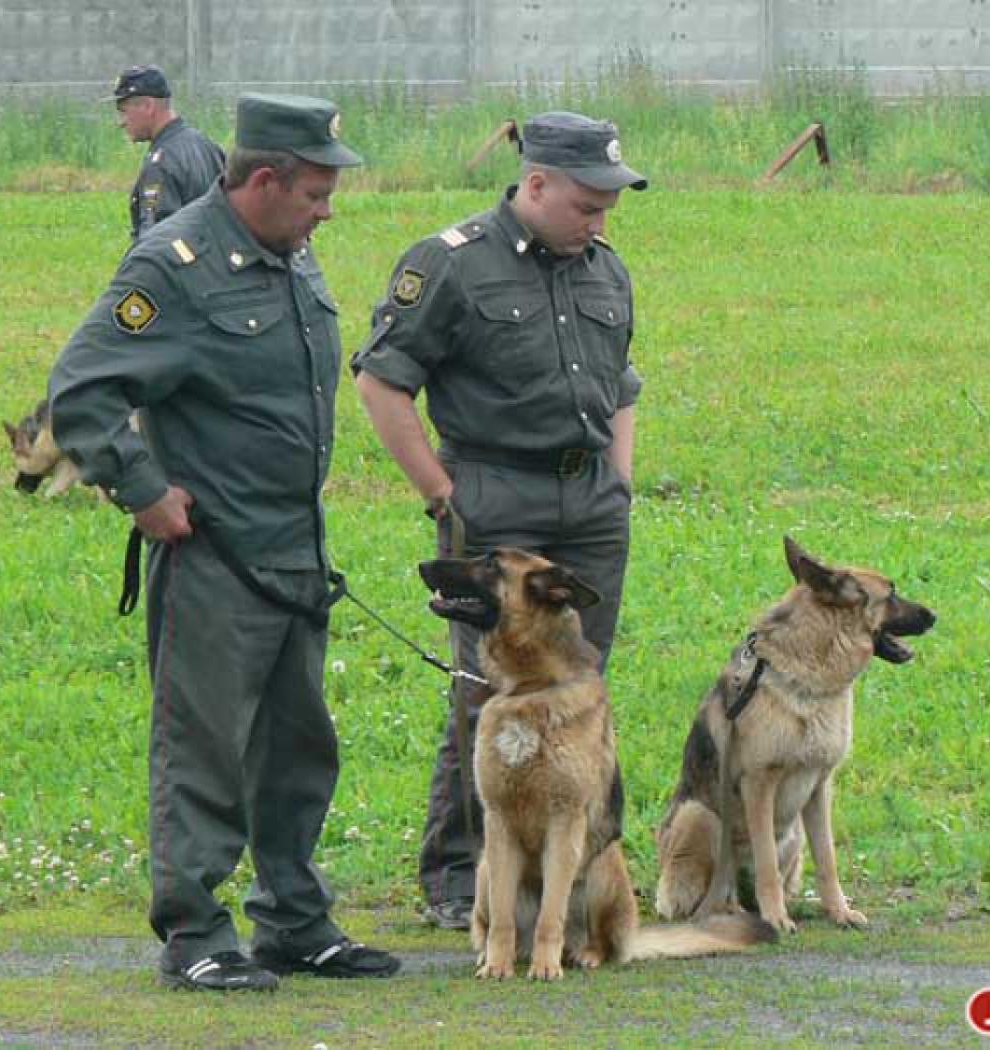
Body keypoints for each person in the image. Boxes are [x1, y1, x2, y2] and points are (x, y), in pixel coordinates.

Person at [49, 93, 400, 990]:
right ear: (267, 179)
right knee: (203, 748)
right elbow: (82, 387)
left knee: (297, 749)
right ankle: (194, 933)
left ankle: (293, 919)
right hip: (215, 558)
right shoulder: (173, 266)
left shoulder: (290, 254)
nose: (329, 210)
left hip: (294, 551)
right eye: (316, 192)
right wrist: (142, 492)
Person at [351, 111, 647, 930]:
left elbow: (623, 383)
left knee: (579, 689)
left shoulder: (605, 269)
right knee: (489, 691)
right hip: (494, 501)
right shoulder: (450, 265)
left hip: (587, 507)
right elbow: (382, 382)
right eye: (587, 204)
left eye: (608, 207)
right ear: (538, 182)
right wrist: (443, 493)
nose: (599, 221)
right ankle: (462, 874)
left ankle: (584, 869)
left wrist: (617, 483)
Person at [105, 64, 225, 245]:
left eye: (124, 111)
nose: (121, 122)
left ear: (148, 106)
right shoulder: (207, 146)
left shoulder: (160, 164)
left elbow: (155, 242)